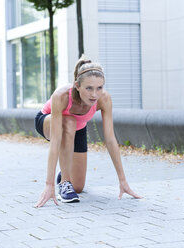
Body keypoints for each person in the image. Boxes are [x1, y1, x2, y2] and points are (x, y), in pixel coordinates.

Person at [34, 56, 142, 207]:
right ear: (77, 85)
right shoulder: (62, 96)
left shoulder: (104, 99)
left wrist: (123, 181)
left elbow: (110, 139)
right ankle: (64, 182)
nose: (94, 94)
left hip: (78, 127)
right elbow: (56, 140)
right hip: (48, 121)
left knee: (78, 186)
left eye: (99, 88)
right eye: (89, 88)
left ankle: (65, 173)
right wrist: (49, 184)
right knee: (70, 122)